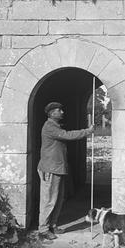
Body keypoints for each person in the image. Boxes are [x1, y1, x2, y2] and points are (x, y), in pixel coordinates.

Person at [37, 101, 94, 240]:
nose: (62, 112)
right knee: (49, 200)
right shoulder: (50, 126)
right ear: (52, 113)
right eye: (59, 110)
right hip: (50, 168)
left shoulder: (55, 126)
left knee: (58, 199)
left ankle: (53, 225)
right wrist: (87, 131)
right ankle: (43, 230)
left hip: (57, 168)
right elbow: (68, 135)